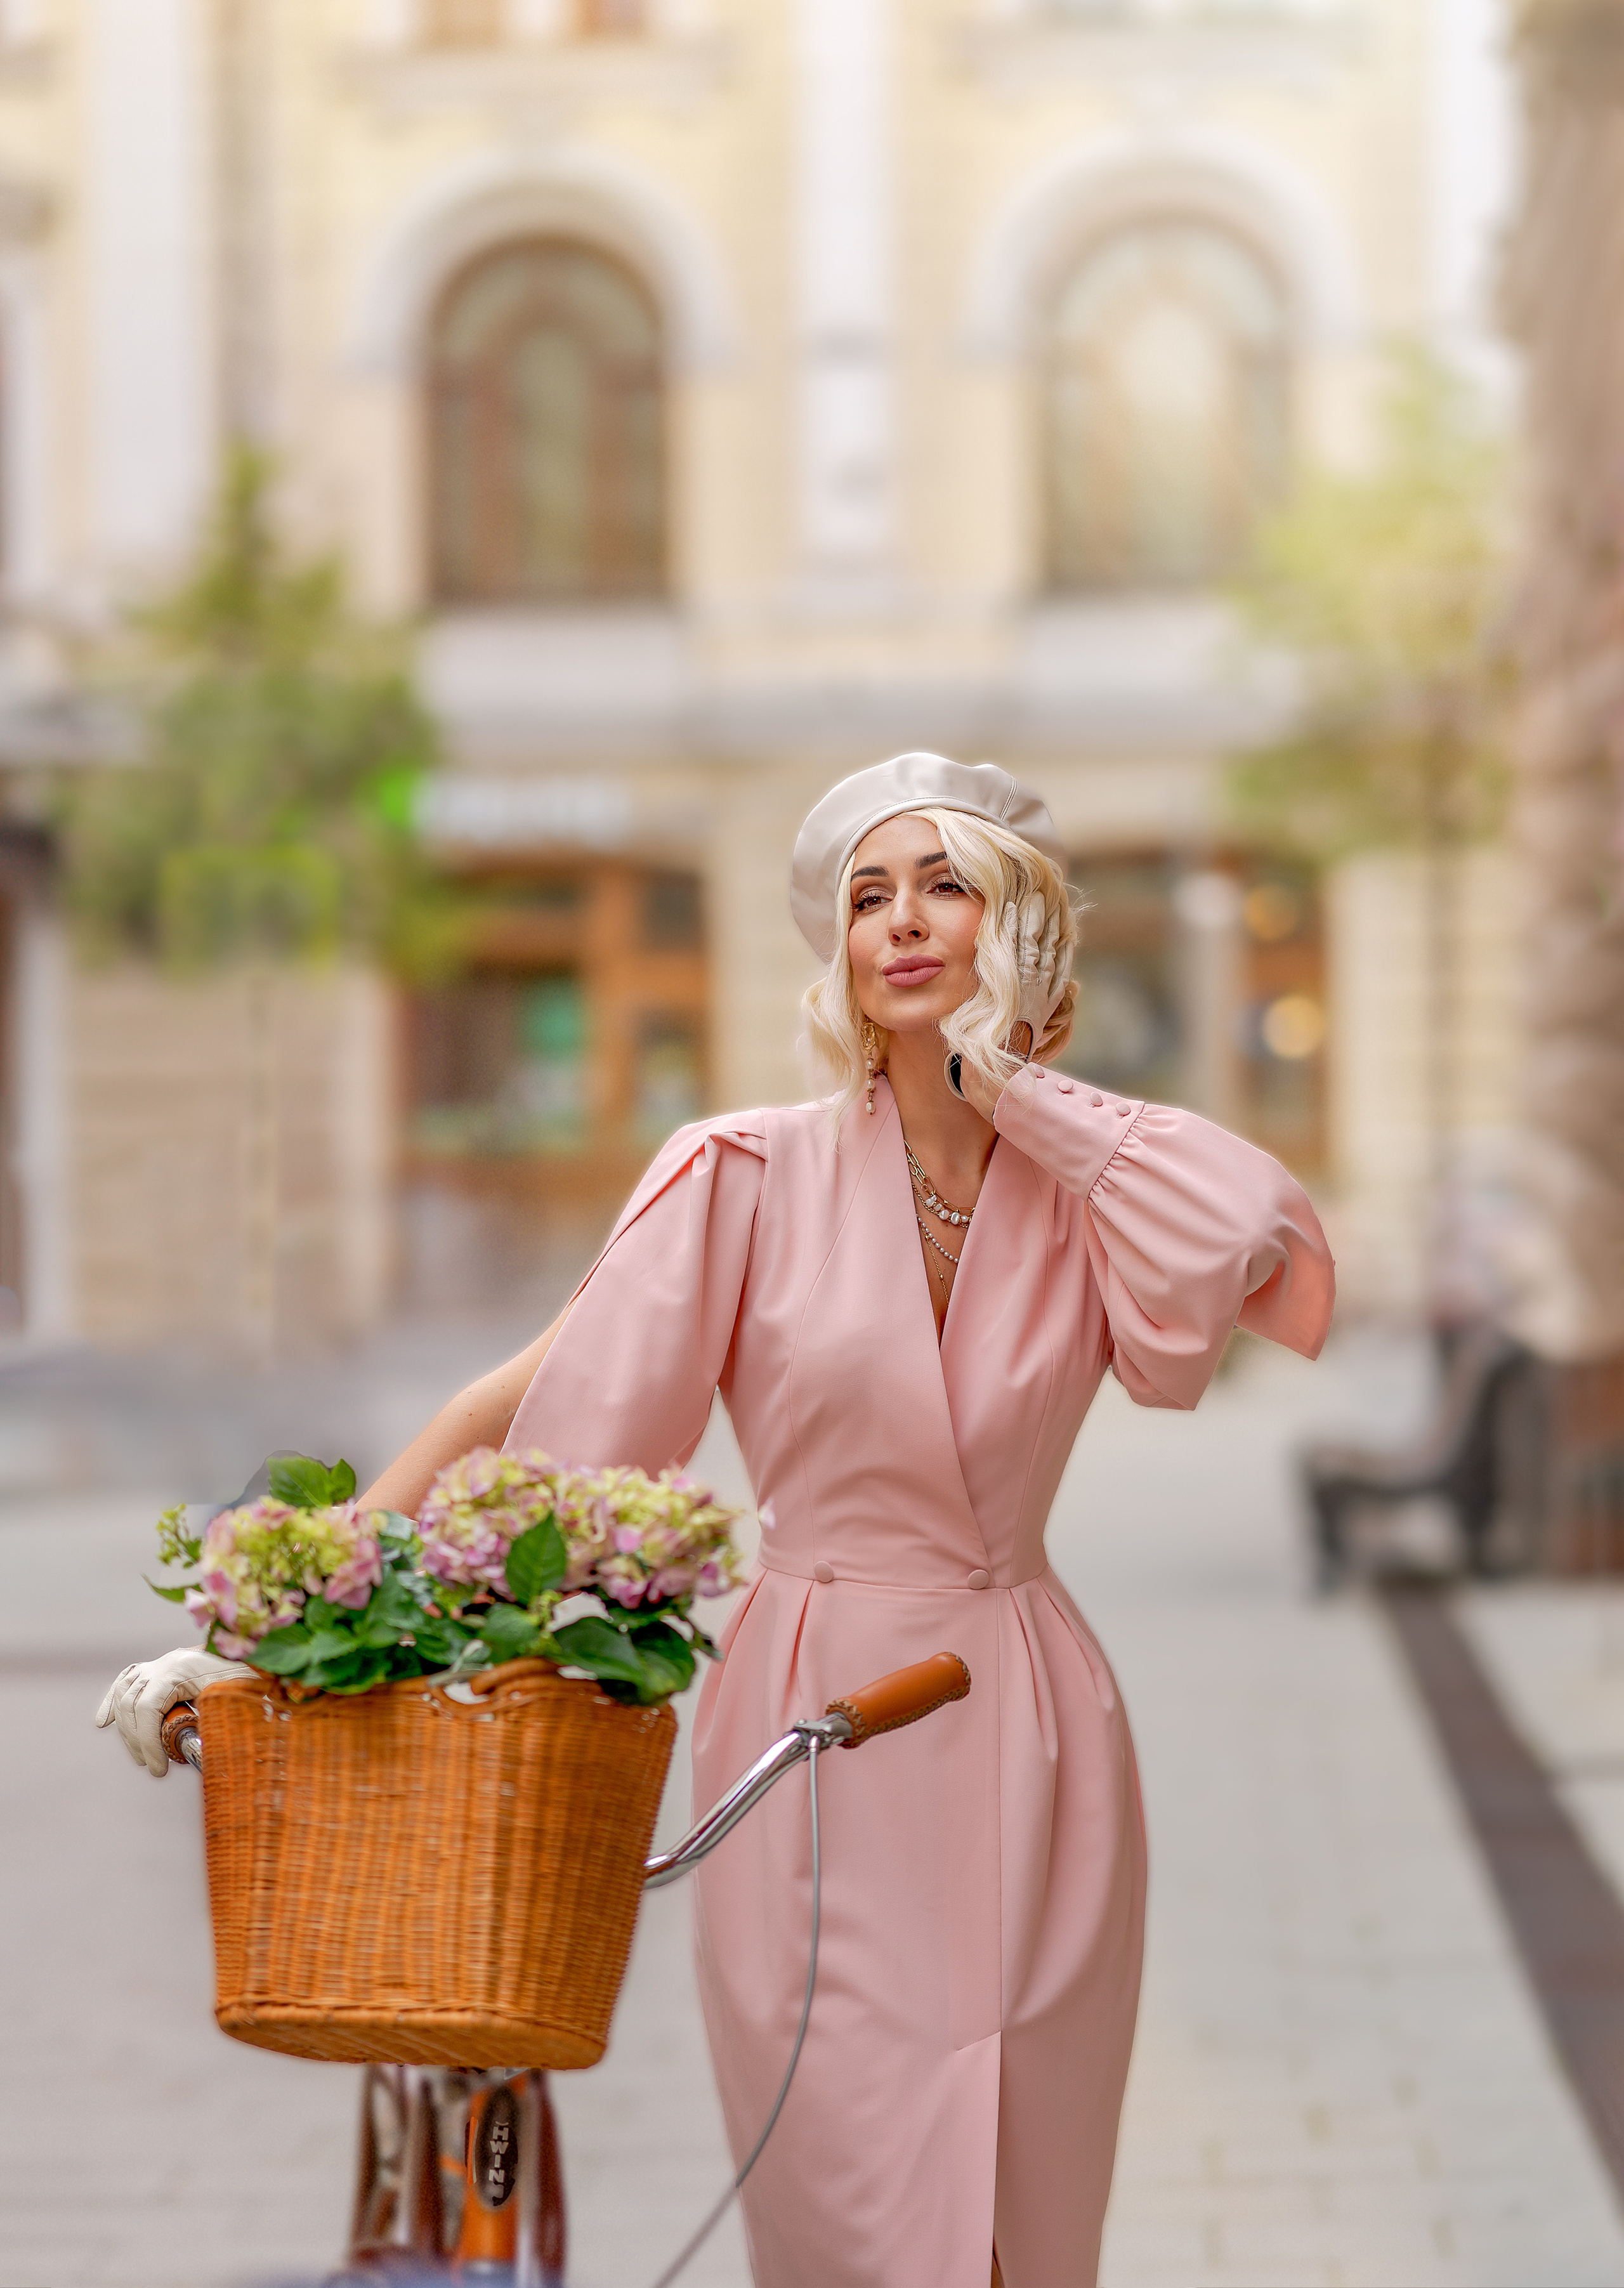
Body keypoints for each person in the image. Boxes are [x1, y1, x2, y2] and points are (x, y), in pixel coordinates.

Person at [100, 753, 1335, 2288]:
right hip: (811, 1731)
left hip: (1032, 1721)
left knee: (1028, 2202)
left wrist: (1012, 1090)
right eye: (866, 896)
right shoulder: (740, 1173)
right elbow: (528, 1419)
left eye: (944, 886)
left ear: (1014, 929)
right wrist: (264, 1635)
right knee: (855, 2200)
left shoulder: (1088, 1194)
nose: (897, 923)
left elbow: (1252, 1236)